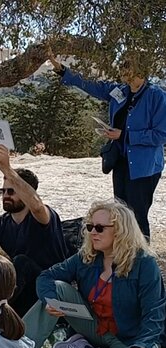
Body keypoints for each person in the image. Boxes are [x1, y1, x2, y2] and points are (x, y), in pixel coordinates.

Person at [24, 200, 165, 348]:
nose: (92, 233)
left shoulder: (144, 264)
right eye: (90, 227)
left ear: (120, 231)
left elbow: (155, 313)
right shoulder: (86, 257)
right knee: (57, 288)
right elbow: (46, 277)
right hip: (93, 326)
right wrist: (50, 299)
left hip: (129, 337)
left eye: (99, 228)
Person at [50, 53, 166, 239]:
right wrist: (64, 71)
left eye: (128, 70)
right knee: (120, 214)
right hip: (120, 161)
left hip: (144, 167)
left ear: (140, 71)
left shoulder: (157, 96)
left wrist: (125, 135)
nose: (124, 75)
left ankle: (142, 260)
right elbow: (93, 86)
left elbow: (161, 135)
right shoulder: (121, 90)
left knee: (137, 217)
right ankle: (122, 255)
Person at [0, 144, 68, 316]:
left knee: (21, 262)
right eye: (3, 191)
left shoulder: (43, 216)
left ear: (25, 193)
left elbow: (37, 206)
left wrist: (7, 169)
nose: (6, 195)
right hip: (19, 289)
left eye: (12, 191)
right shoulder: (3, 223)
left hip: (49, 286)